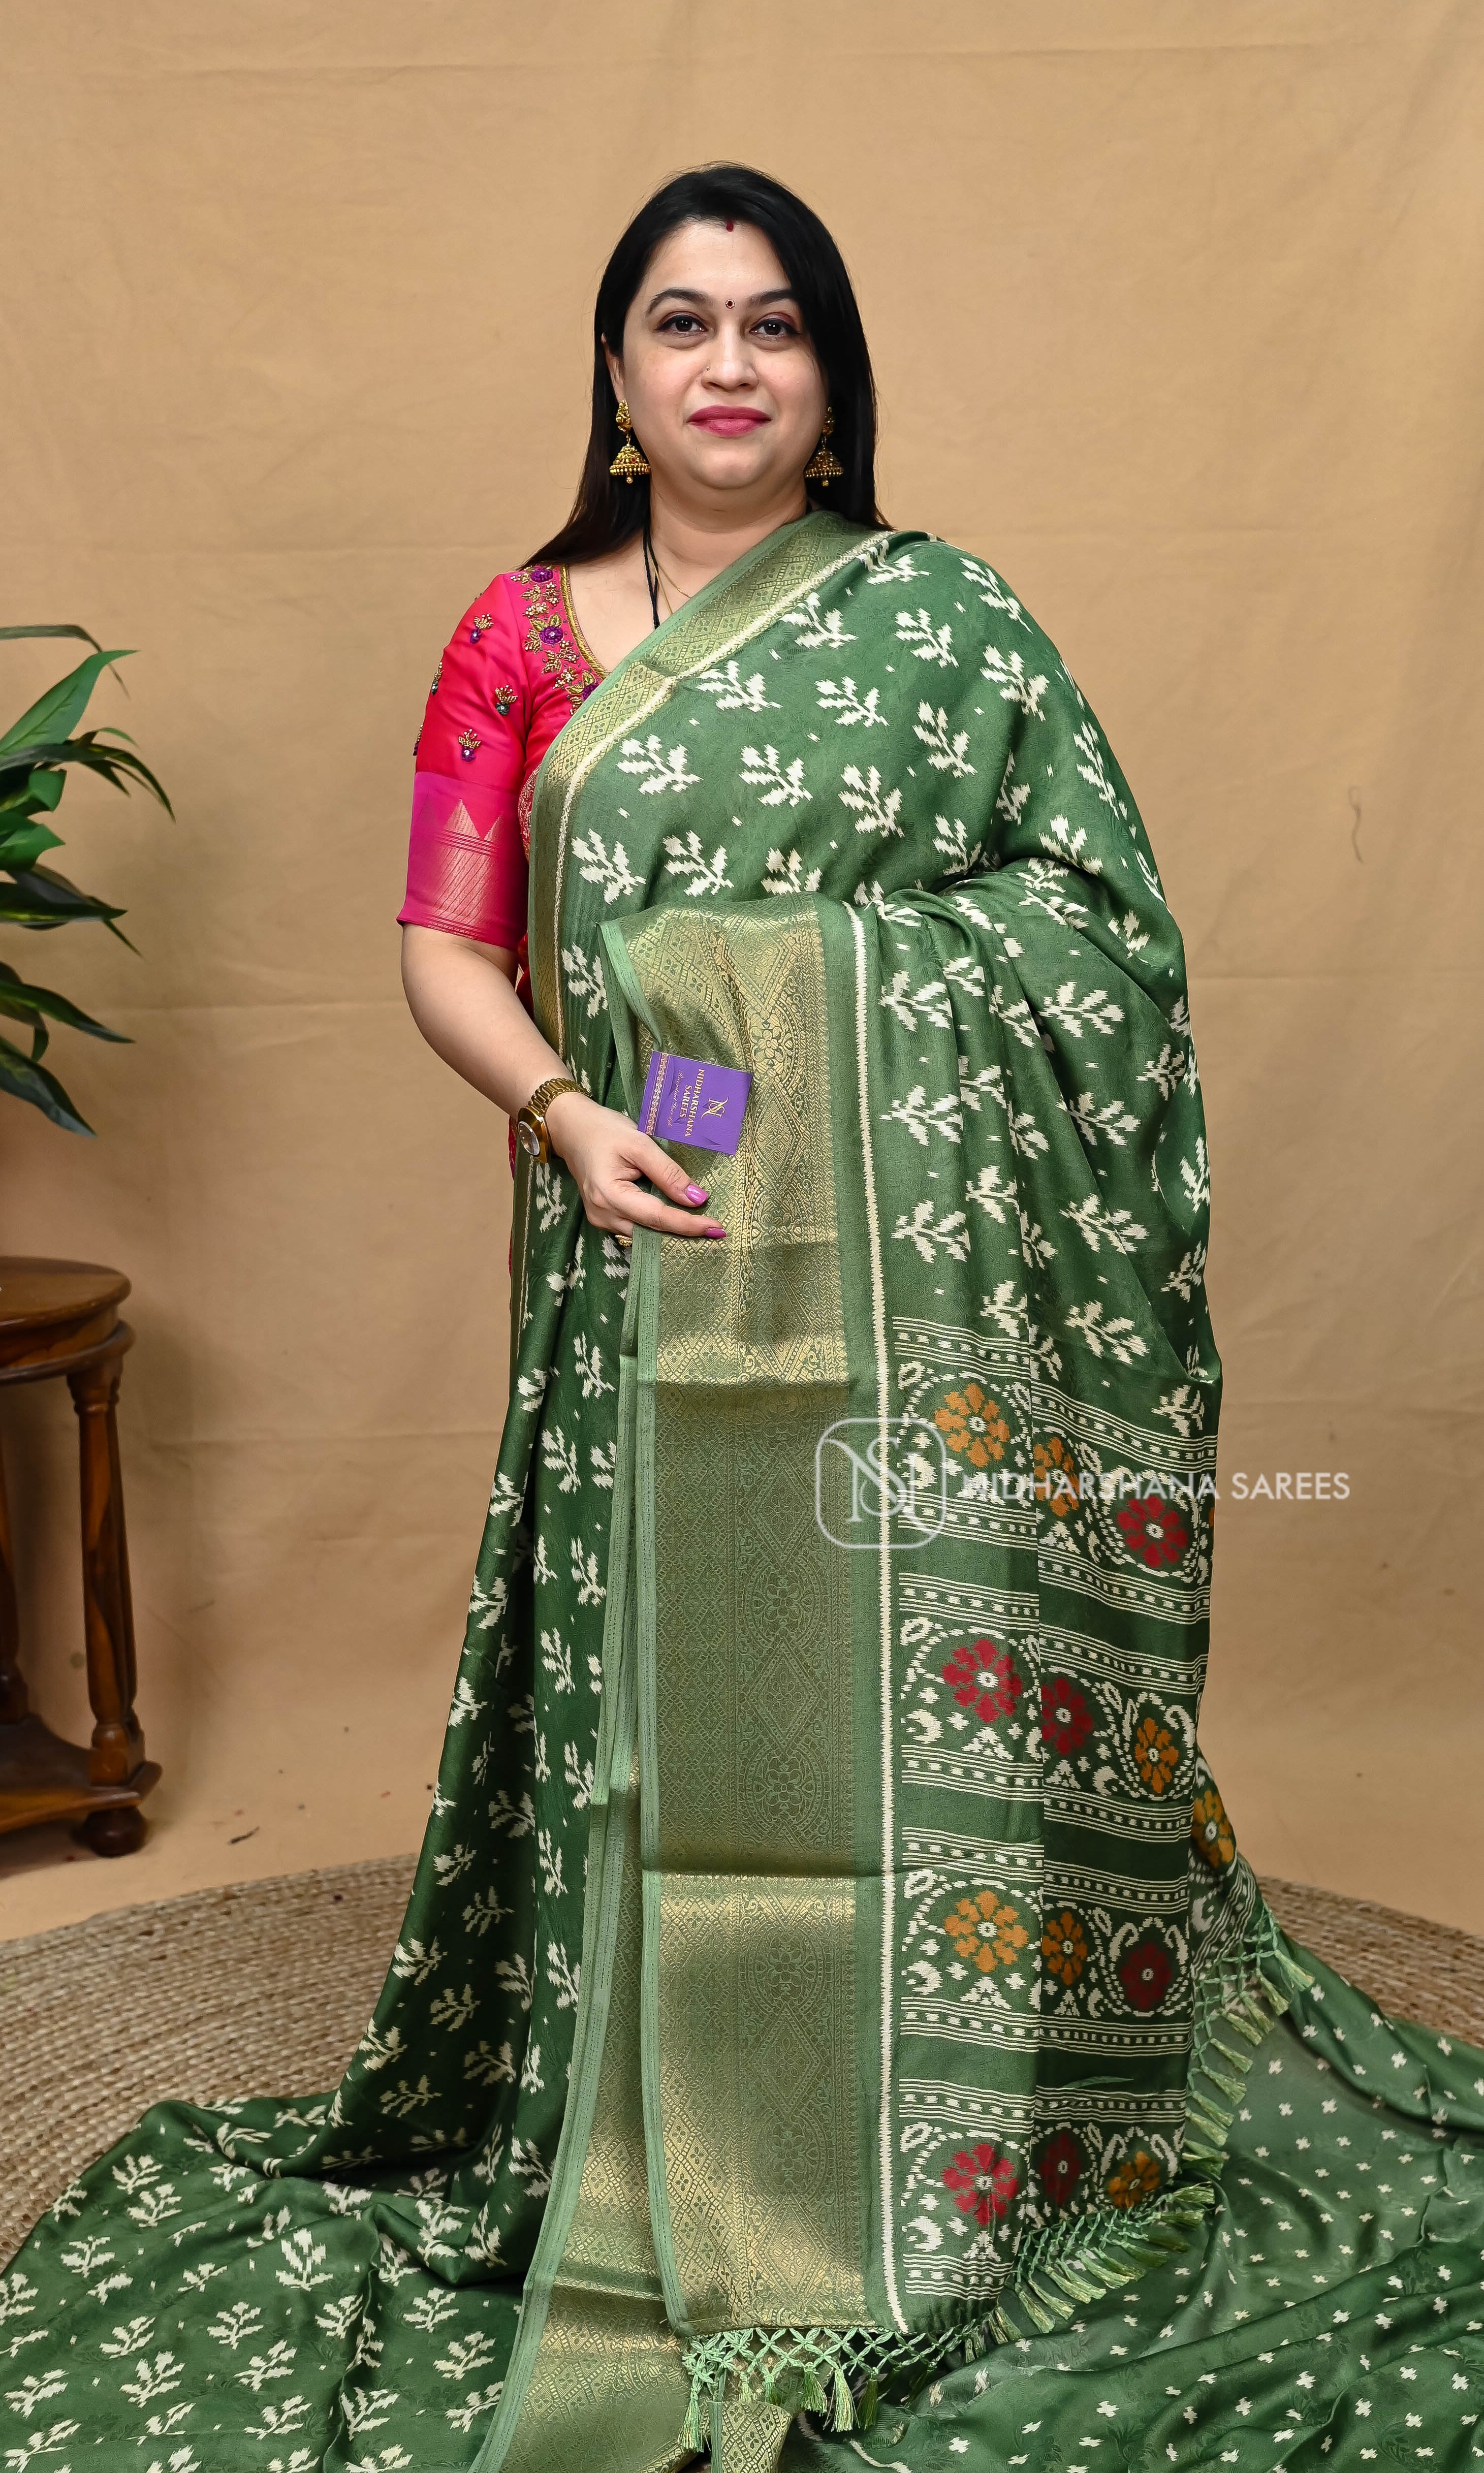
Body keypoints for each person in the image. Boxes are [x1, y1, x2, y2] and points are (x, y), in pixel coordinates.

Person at [4, 163, 1481, 2473]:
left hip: (914, 1275)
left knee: (892, 1655)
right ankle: (653, 2123)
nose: (726, 364)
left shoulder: (944, 617)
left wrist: (810, 1003)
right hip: (649, 1217)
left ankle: (930, 2137)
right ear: (613, 373)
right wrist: (567, 1111)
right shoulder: (516, 635)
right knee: (667, 1674)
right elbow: (443, 941)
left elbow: (1096, 931)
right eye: (680, 322)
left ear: (830, 375)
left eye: (773, 324)